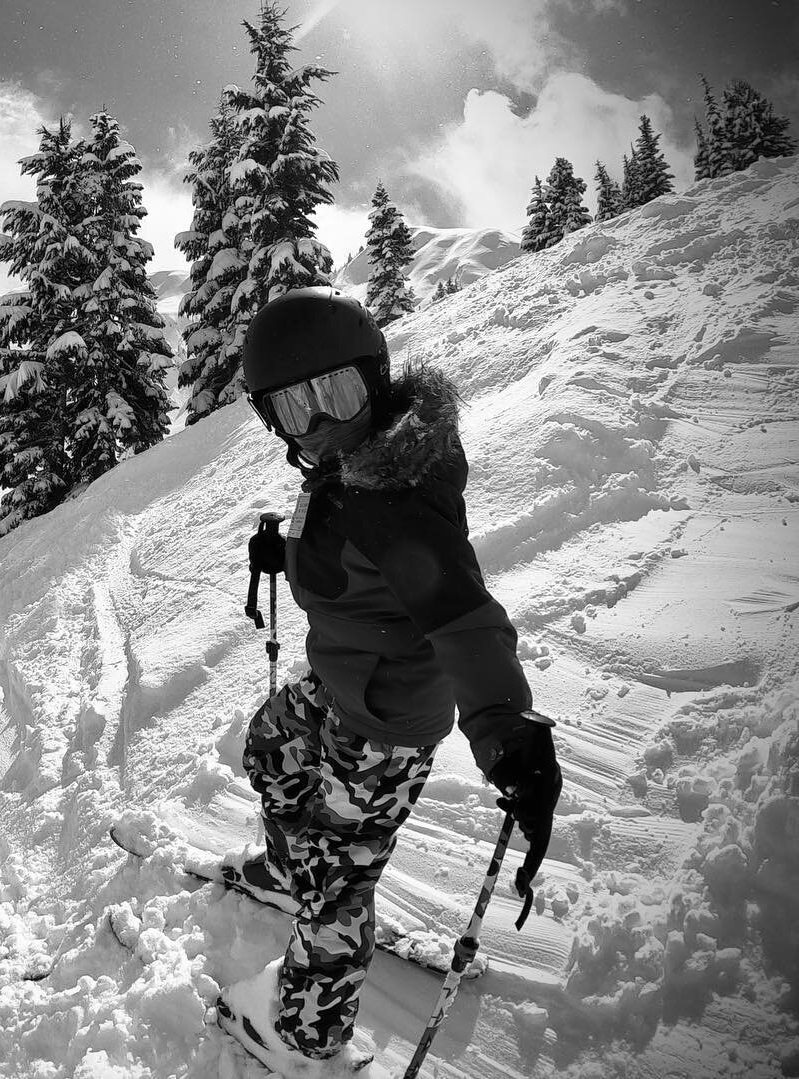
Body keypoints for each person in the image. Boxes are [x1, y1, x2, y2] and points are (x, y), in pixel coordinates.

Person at [219, 287, 563, 1073]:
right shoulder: (359, 461)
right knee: (270, 746)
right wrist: (291, 546)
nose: (319, 422)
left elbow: (463, 618)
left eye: (333, 394)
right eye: (293, 407)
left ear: (373, 378)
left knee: (337, 880)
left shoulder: (394, 499)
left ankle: (307, 1037)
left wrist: (508, 735)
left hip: (384, 723)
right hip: (345, 683)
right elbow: (343, 534)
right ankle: (287, 867)